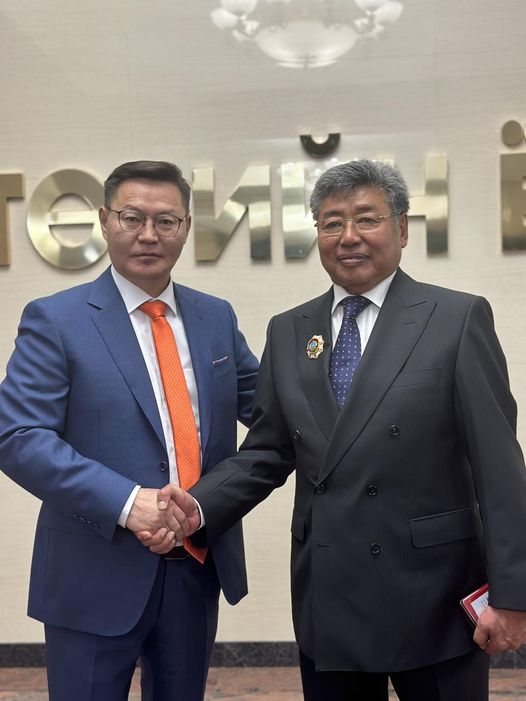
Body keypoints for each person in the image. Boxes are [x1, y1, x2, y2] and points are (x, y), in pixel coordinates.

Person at [153, 159, 526, 700]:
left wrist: (512, 594)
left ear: (402, 228)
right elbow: (267, 451)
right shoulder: (289, 329)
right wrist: (198, 505)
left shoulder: (455, 318)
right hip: (331, 592)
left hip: (436, 594)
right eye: (332, 223)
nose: (348, 236)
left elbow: (500, 468)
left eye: (367, 219)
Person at [0, 160, 258, 701]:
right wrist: (127, 502)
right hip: (92, 571)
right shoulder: (57, 319)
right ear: (104, 221)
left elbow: (273, 414)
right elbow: (19, 436)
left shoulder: (215, 318)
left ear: (186, 227)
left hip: (194, 566)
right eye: (132, 217)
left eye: (166, 221)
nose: (148, 234)